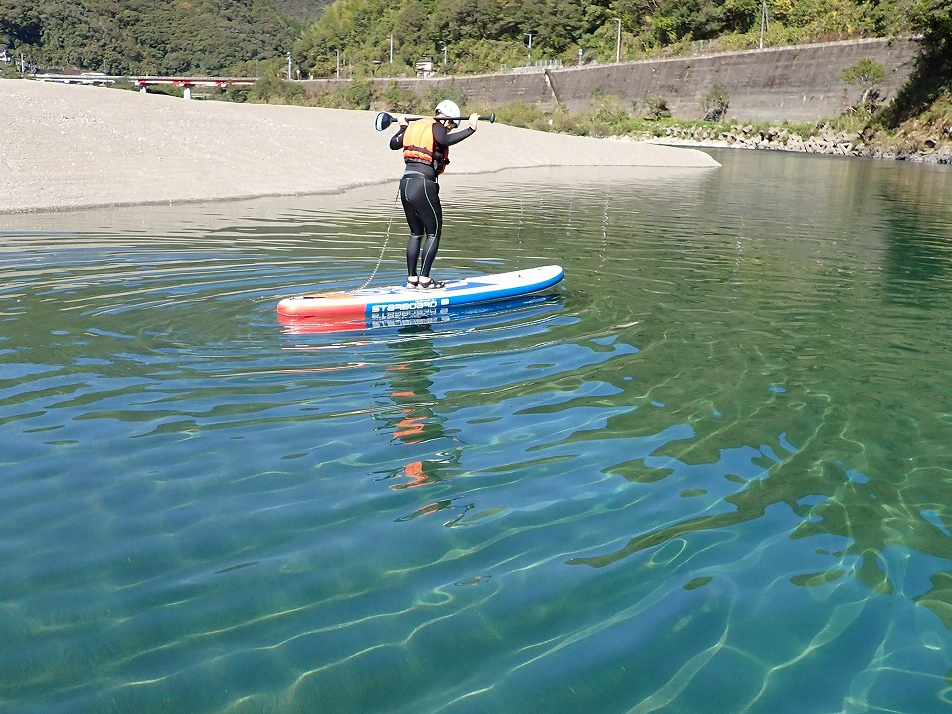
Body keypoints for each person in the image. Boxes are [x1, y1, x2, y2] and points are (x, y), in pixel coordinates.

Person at [389, 99, 480, 289]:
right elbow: (445, 140)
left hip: (405, 184)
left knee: (416, 233)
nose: (450, 129)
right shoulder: (436, 125)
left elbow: (393, 143)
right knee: (433, 232)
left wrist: (402, 127)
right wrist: (471, 129)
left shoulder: (413, 127)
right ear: (447, 118)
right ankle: (425, 280)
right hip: (423, 184)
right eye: (452, 125)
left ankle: (411, 279)